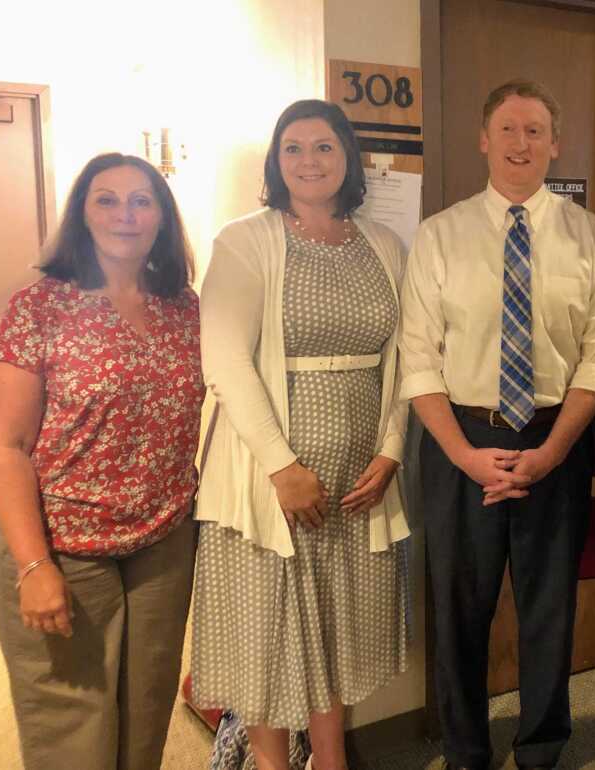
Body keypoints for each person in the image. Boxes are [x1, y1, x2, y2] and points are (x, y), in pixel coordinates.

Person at [399, 79, 595, 770]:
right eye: (507, 129)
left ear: (554, 143)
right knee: (459, 611)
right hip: (459, 442)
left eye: (534, 131)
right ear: (483, 139)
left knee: (549, 609)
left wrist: (554, 452)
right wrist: (467, 455)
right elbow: (418, 359)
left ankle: (541, 748)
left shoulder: (593, 237)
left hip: (557, 440)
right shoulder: (440, 235)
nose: (520, 143)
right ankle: (466, 750)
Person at [191, 99, 410, 770]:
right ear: (275, 161)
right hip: (269, 474)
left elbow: (409, 355)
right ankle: (270, 764)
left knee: (334, 629)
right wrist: (282, 467)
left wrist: (392, 449)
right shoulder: (245, 238)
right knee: (272, 627)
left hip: (358, 475)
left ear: (348, 157)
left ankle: (332, 759)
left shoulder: (384, 243)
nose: (308, 161)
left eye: (323, 146)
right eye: (293, 148)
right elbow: (224, 357)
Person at [0, 153, 202, 770]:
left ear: (162, 217)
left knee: (146, 715)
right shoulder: (38, 307)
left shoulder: (182, 306)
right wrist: (33, 565)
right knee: (73, 732)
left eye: (142, 200)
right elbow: (5, 446)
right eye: (106, 199)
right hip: (64, 544)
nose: (125, 214)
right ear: (82, 213)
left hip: (162, 541)